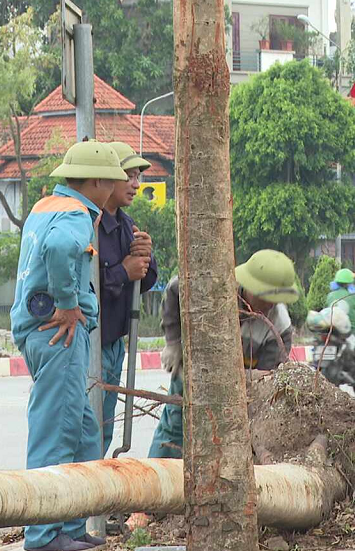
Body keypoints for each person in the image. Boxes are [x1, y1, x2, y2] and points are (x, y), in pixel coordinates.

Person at [12, 140, 126, 551]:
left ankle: (72, 528)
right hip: (59, 334)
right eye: (114, 180)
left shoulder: (47, 206)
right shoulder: (76, 214)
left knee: (81, 433)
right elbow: (61, 249)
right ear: (96, 181)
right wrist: (67, 303)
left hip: (43, 332)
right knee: (55, 434)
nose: (118, 187)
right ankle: (44, 537)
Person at [148, 249, 298, 459]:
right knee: (174, 430)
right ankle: (157, 485)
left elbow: (267, 378)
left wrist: (247, 379)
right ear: (249, 286)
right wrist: (173, 342)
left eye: (275, 299)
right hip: (193, 376)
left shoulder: (279, 326)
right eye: (265, 297)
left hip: (238, 392)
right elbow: (175, 288)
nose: (269, 304)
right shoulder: (215, 287)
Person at [98, 142, 158, 455]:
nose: (136, 184)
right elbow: (89, 286)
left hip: (114, 345)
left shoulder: (126, 225)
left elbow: (146, 279)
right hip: (91, 344)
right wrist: (123, 271)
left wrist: (146, 256)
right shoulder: (90, 224)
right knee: (85, 427)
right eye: (130, 176)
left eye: (138, 177)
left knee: (105, 426)